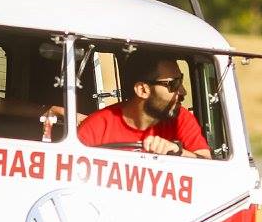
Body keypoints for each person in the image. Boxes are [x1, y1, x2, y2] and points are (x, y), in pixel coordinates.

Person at [78, 50, 212, 158]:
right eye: (174, 84)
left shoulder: (181, 118)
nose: (183, 91)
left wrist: (178, 151)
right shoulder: (95, 127)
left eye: (181, 81)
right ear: (142, 90)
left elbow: (207, 164)